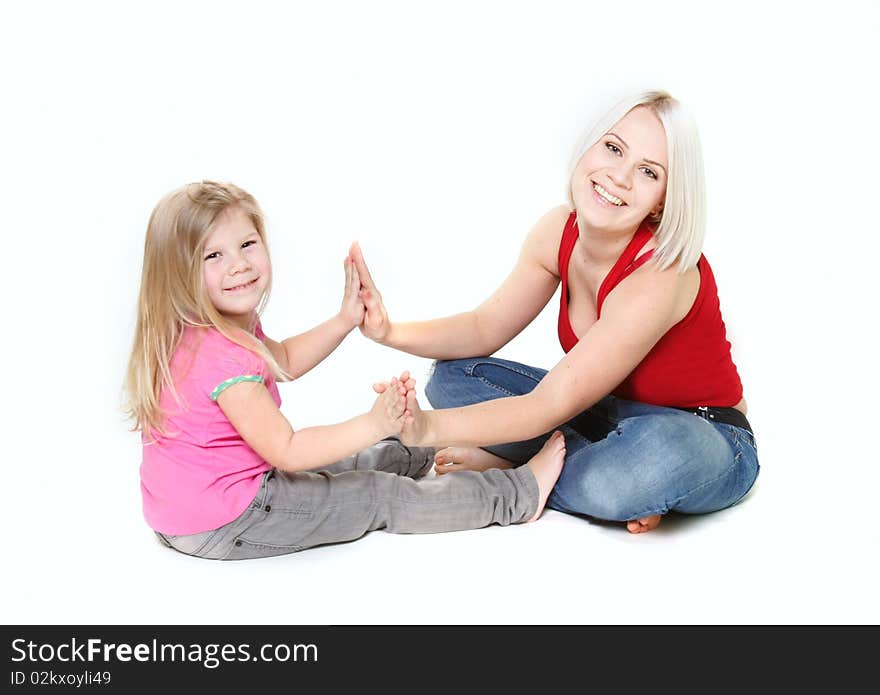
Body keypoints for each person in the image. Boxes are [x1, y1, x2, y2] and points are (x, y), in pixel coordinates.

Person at [353, 90, 759, 534]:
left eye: (647, 172)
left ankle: (539, 475)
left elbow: (551, 403)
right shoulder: (557, 230)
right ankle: (601, 479)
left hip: (703, 433)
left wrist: (425, 428)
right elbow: (483, 327)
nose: (619, 176)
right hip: (603, 414)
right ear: (589, 144)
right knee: (451, 378)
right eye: (613, 148)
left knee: (646, 463)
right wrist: (387, 330)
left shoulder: (660, 275)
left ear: (662, 199)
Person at [123, 181, 564, 560]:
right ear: (178, 273)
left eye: (247, 244)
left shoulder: (206, 328)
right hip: (229, 520)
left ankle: (434, 452)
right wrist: (373, 422)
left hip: (188, 513)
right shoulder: (224, 357)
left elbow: (286, 361)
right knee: (377, 494)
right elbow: (290, 451)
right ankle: (518, 496)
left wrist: (344, 319)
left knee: (354, 459)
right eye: (212, 255)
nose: (238, 264)